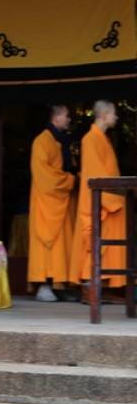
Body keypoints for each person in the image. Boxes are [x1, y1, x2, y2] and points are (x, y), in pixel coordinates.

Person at [70, 100, 125, 298]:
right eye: (113, 114)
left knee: (107, 243)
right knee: (96, 242)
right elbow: (96, 174)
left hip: (109, 197)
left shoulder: (103, 138)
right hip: (98, 201)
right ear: (103, 115)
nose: (116, 117)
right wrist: (113, 201)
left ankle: (104, 285)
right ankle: (89, 285)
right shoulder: (90, 139)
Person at [28, 105, 78, 302]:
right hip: (46, 202)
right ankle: (44, 285)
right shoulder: (42, 141)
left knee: (64, 245)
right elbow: (44, 176)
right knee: (47, 244)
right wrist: (71, 180)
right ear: (56, 118)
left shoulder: (61, 141)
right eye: (66, 116)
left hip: (63, 201)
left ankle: (60, 284)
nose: (68, 120)